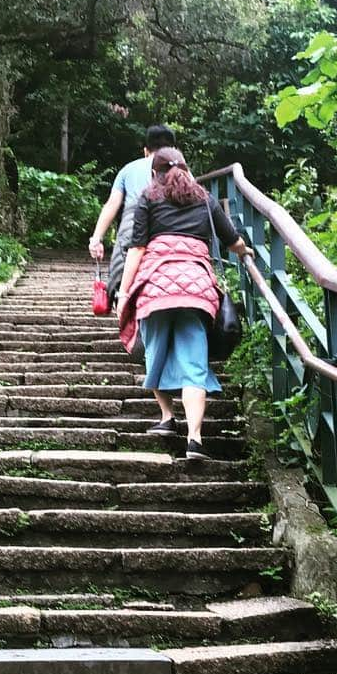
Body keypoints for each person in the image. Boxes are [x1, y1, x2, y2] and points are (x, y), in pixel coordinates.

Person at [116, 148, 253, 461]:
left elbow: (137, 250)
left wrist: (124, 294)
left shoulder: (148, 198)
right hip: (196, 290)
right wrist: (245, 253)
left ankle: (166, 417)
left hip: (157, 289)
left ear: (154, 173)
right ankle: (195, 439)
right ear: (186, 169)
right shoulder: (204, 198)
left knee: (156, 354)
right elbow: (232, 240)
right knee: (194, 365)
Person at [88, 124, 176, 303]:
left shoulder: (128, 170)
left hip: (132, 228)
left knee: (122, 276)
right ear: (174, 150)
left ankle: (122, 299)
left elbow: (112, 204)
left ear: (145, 150)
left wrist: (96, 239)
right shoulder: (181, 172)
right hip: (169, 228)